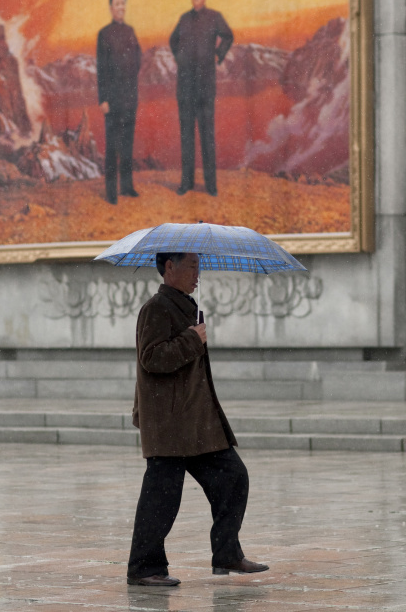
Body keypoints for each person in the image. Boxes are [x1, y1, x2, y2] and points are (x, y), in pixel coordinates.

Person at [127, 251, 269, 586]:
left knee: (233, 477)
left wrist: (193, 334)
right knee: (161, 500)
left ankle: (227, 553)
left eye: (198, 266)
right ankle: (145, 569)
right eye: (191, 266)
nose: (197, 274)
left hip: (197, 422)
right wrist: (193, 339)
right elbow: (152, 358)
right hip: (169, 421)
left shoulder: (186, 306)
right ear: (170, 268)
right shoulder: (156, 308)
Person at [169, 0, 233, 197]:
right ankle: (186, 183)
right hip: (185, 88)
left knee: (207, 136)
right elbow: (172, 41)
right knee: (186, 136)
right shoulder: (184, 19)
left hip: (205, 87)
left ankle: (210, 185)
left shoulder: (215, 18)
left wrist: (218, 55)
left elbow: (228, 36)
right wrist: (181, 59)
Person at [96, 0, 141, 204]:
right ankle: (111, 192)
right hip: (112, 101)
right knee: (112, 146)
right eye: (117, 4)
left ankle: (127, 186)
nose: (121, 7)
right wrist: (103, 99)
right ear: (111, 8)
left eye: (123, 3)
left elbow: (138, 59)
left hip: (130, 98)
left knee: (127, 145)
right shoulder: (104, 34)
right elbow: (101, 69)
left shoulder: (131, 31)